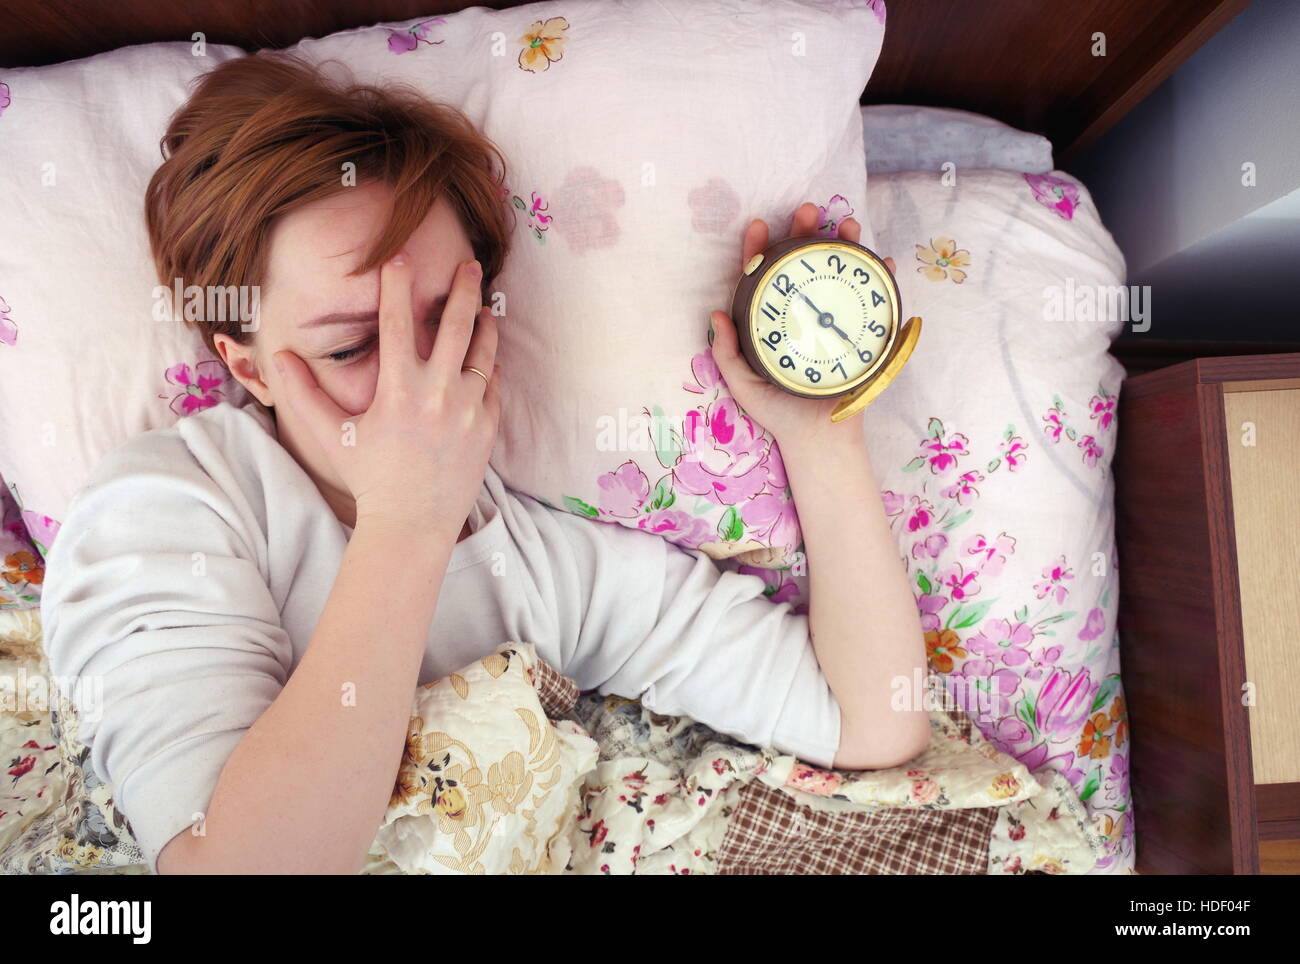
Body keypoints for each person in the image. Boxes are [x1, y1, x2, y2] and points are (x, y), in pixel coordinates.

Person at [39, 51, 928, 875]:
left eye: (452, 323)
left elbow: (871, 719)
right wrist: (404, 523)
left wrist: (819, 430)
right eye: (353, 347)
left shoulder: (535, 561)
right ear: (246, 366)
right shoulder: (166, 506)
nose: (423, 386)